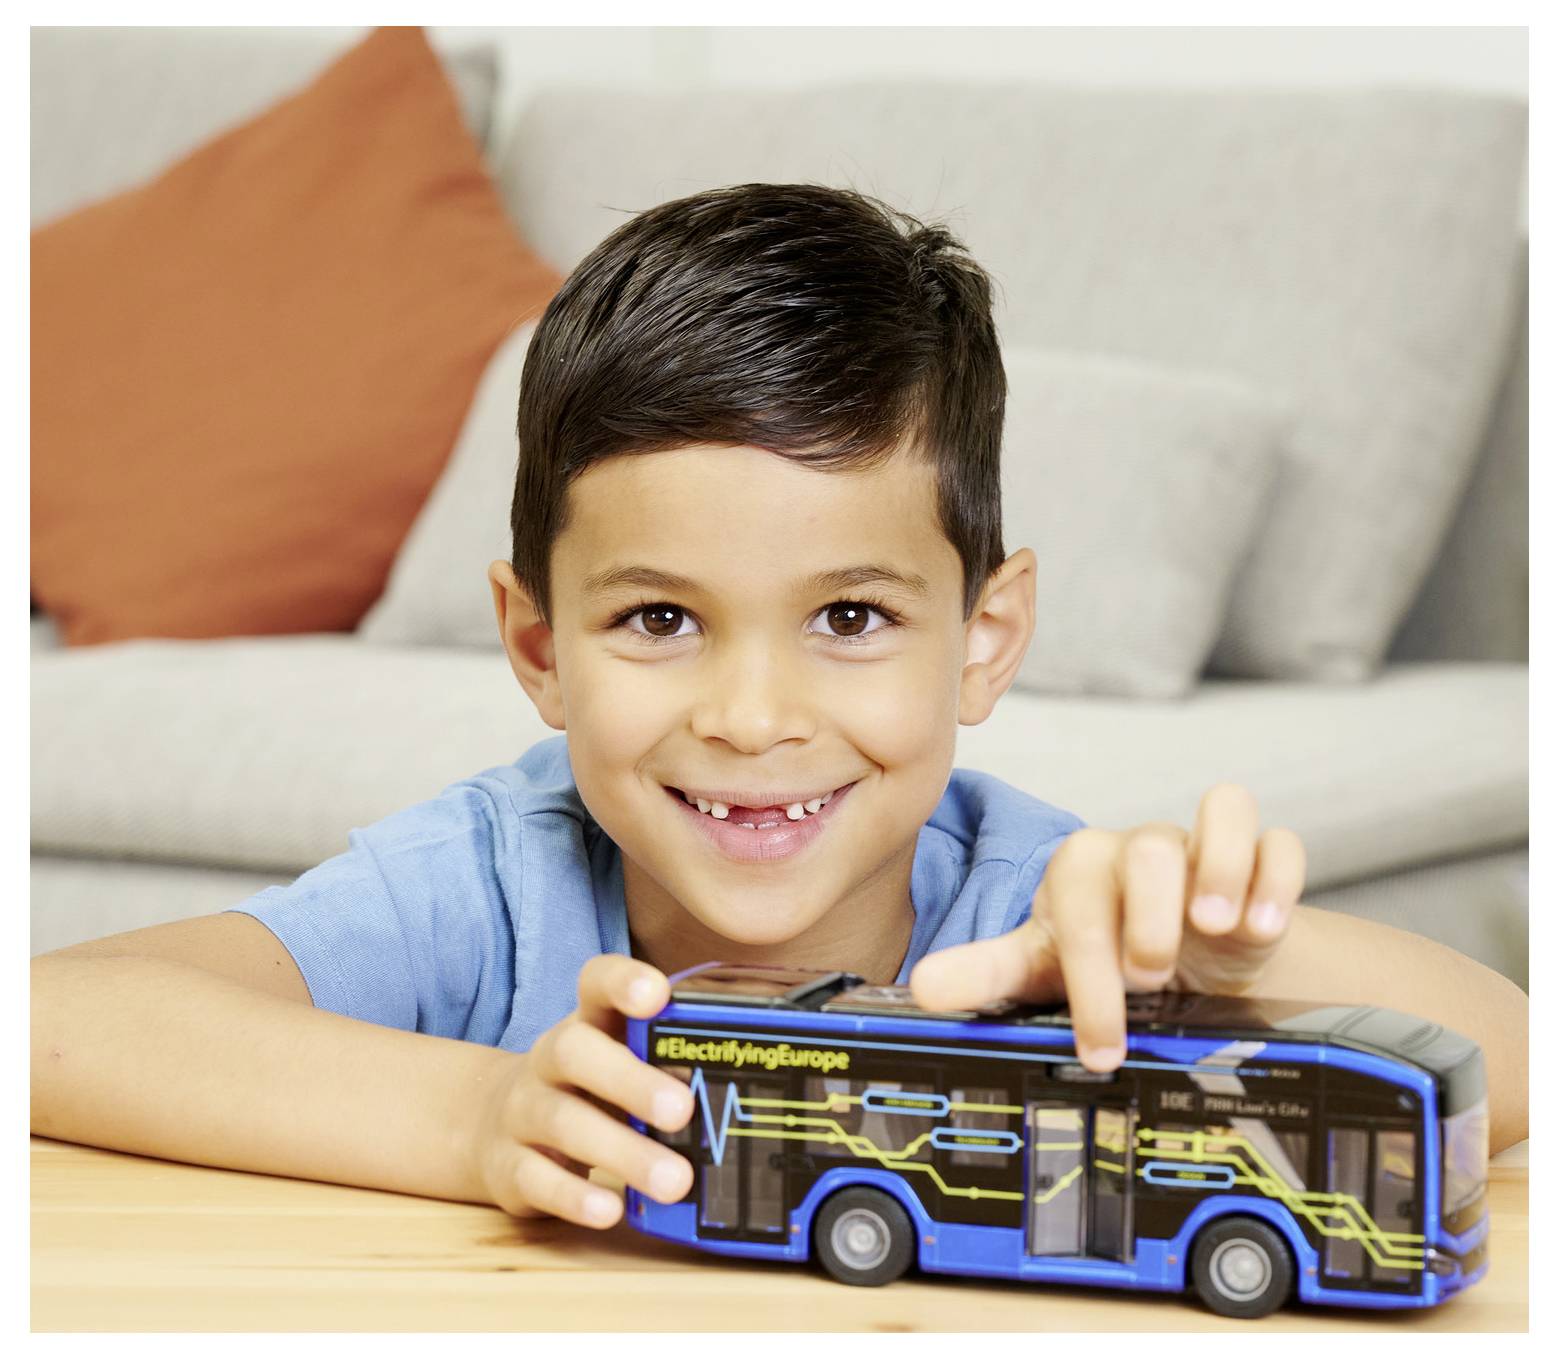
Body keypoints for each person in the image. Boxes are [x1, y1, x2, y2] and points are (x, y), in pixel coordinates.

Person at [32, 183, 1527, 1234]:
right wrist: (469, 1122)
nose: (753, 715)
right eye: (661, 619)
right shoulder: (487, 888)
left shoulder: (1035, 919)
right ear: (540, 647)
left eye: (854, 618)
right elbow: (49, 1024)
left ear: (985, 639)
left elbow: (1515, 1073)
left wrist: (1228, 962)